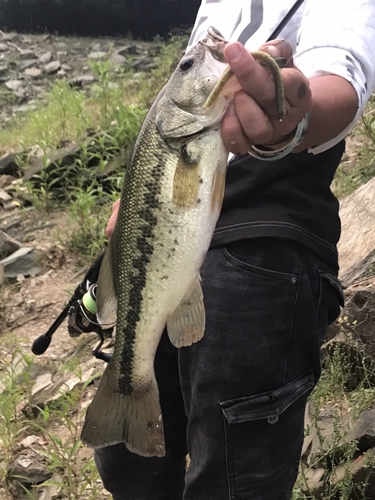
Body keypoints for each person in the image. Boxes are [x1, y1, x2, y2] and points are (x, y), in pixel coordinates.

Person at [94, 1, 375, 499]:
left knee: (231, 479)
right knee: (128, 468)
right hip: (171, 255)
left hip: (266, 247)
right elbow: (169, 123)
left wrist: (294, 115)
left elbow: (339, 79)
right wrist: (129, 204)